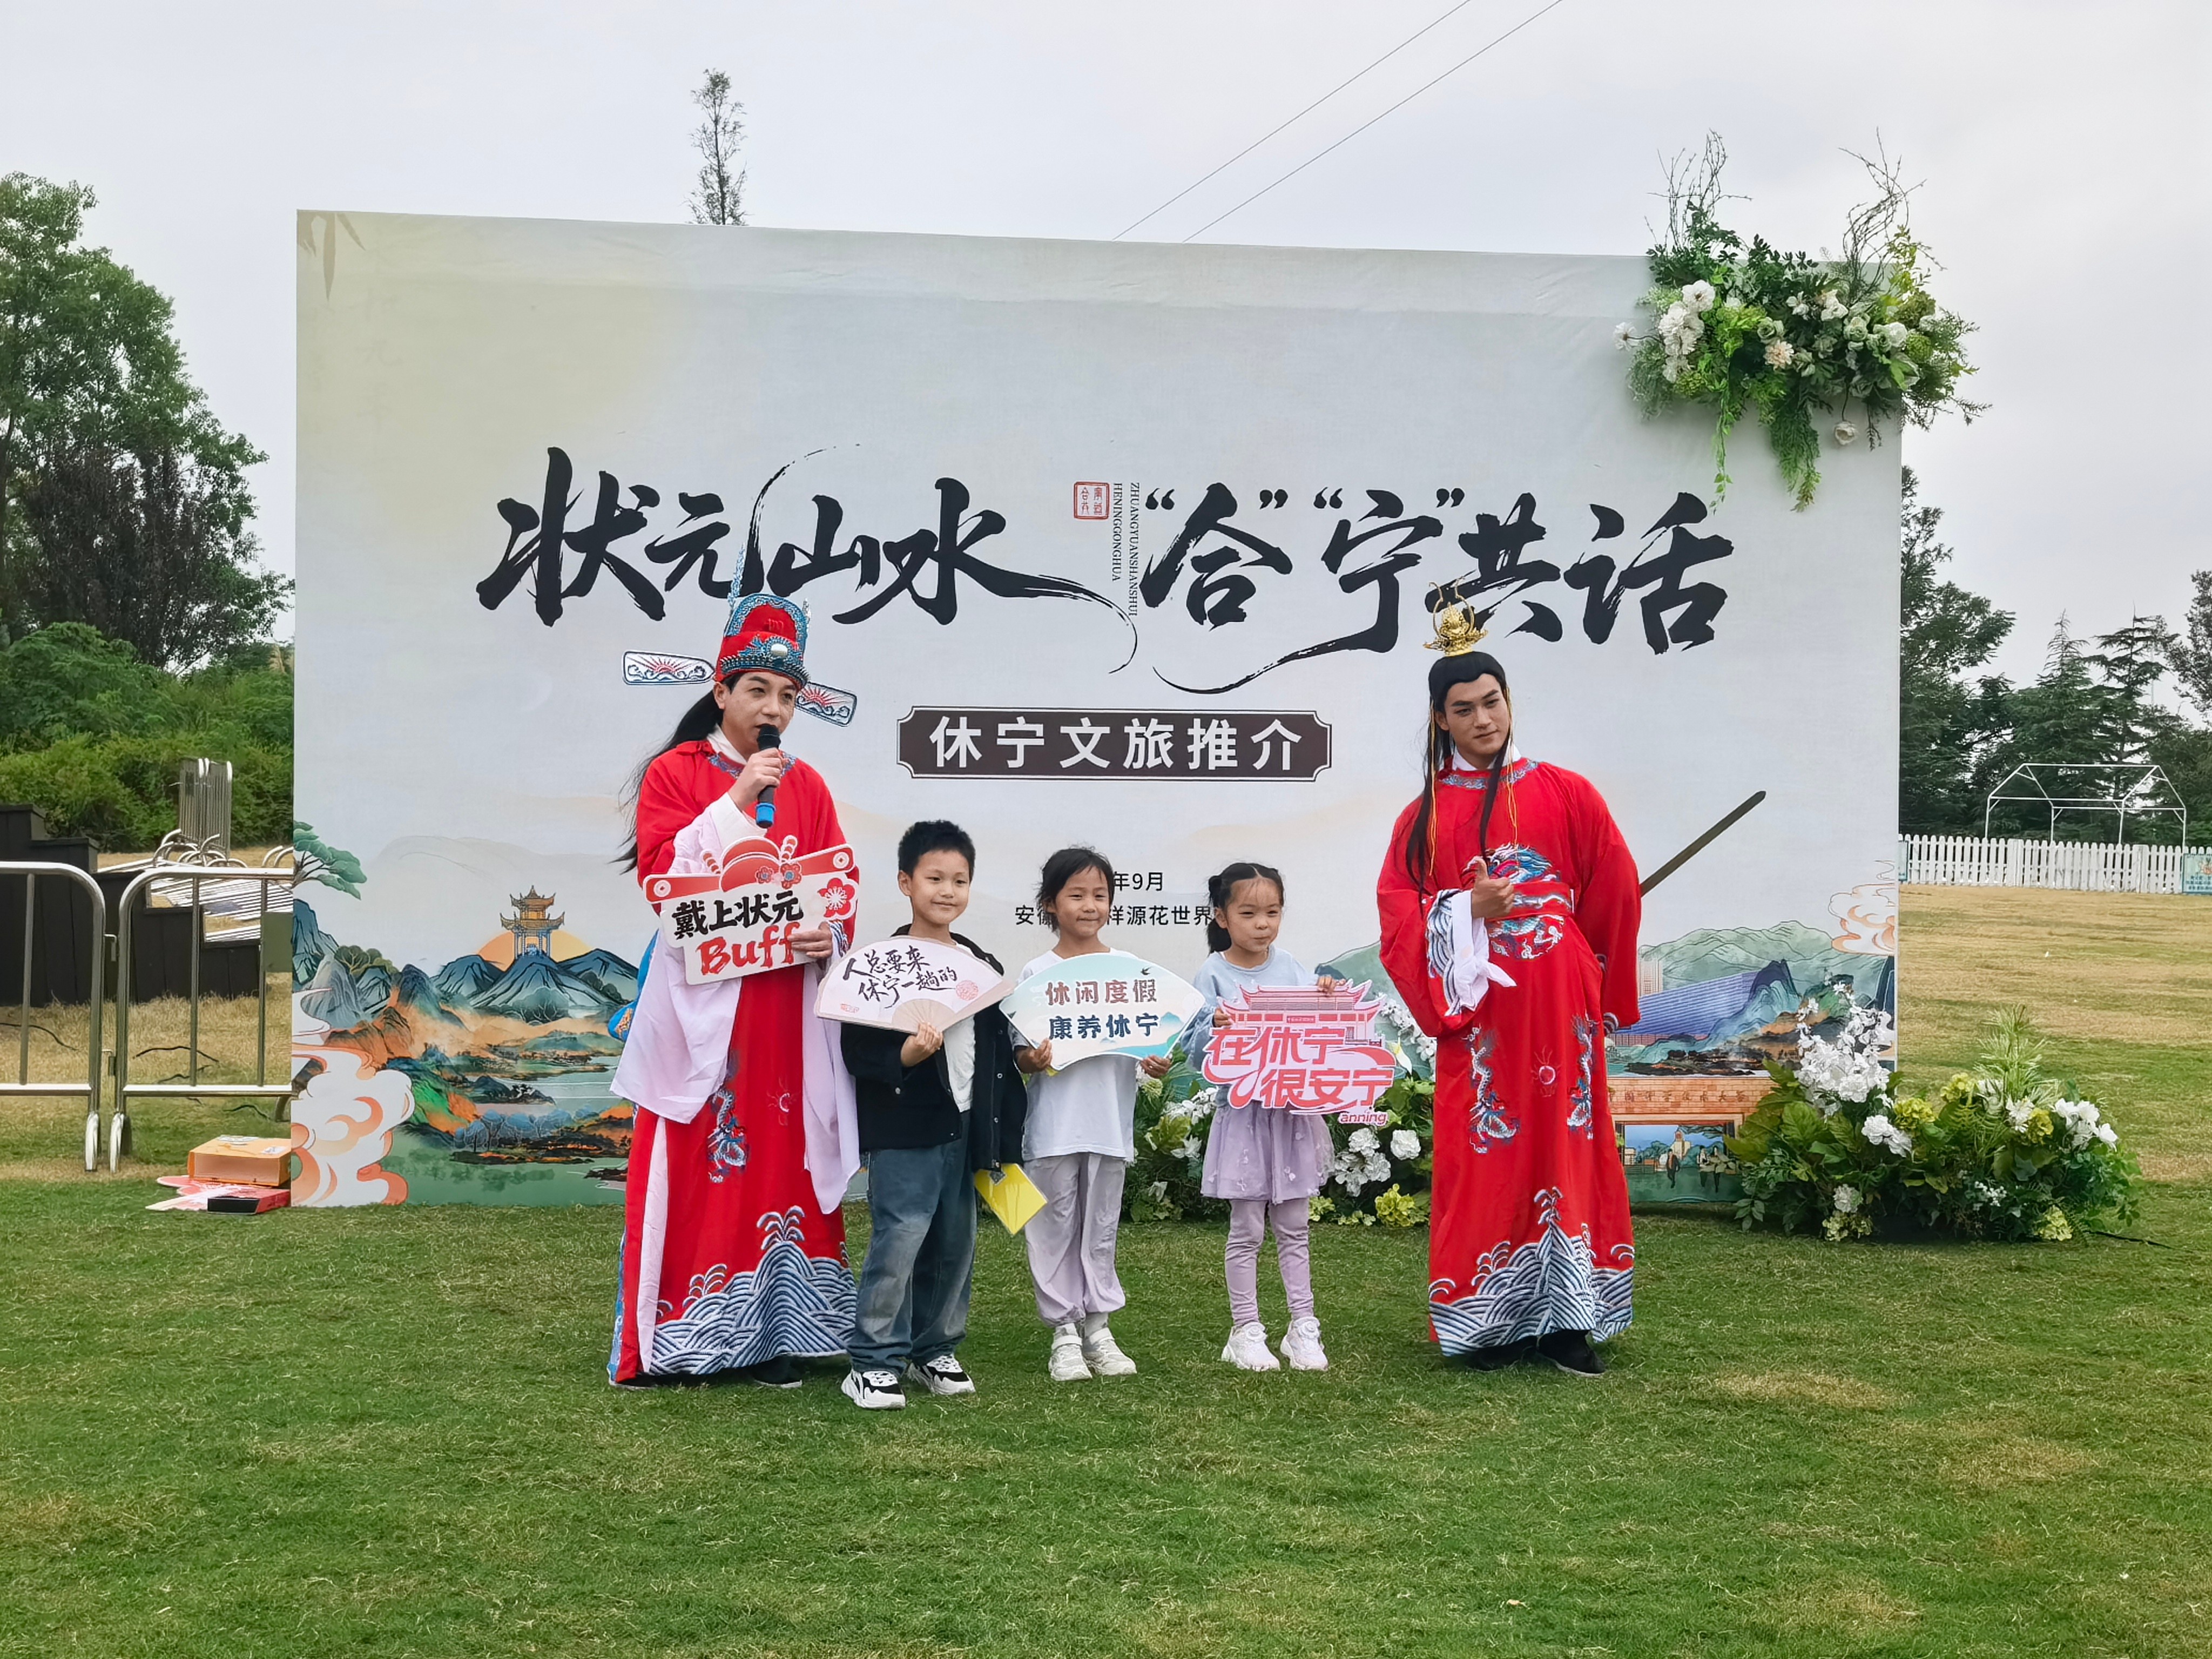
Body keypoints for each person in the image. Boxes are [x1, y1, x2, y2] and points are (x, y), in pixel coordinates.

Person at [1375, 606, 1641, 1378]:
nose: (1482, 719)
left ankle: (1569, 1323)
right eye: (1463, 709)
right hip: (1482, 1014)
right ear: (1440, 719)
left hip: (1560, 1008)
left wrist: (1597, 987)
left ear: (1508, 701)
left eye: (1492, 702)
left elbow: (1614, 890)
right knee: (1485, 1156)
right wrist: (1465, 908)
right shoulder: (1423, 818)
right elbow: (1396, 916)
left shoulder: (1568, 793)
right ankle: (1488, 1322)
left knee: (1567, 1151)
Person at [605, 594, 860, 1389]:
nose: (773, 709)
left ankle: (786, 1332)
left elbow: (837, 886)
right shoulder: (678, 773)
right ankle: (689, 1339)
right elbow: (663, 880)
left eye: (786, 696)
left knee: (786, 1156)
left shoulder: (810, 785)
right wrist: (738, 799)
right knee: (700, 1157)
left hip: (784, 1005)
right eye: (757, 691)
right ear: (721, 692)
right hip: (705, 1001)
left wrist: (830, 936)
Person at [837, 821, 1028, 1411]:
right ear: (906, 882)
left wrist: (1028, 1067)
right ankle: (872, 1361)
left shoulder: (981, 963)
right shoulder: (879, 965)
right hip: (907, 1126)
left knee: (954, 1240)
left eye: (959, 881)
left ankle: (934, 1349)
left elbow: (997, 1051)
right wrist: (907, 1055)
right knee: (901, 1236)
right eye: (934, 878)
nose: (947, 891)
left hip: (969, 1125)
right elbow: (857, 1052)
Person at [1013, 846, 1173, 1382]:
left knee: (1100, 1228)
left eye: (1100, 895)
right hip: (1053, 1128)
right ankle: (1063, 1332)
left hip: (1108, 1124)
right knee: (1052, 1227)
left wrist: (1155, 1061)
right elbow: (1020, 1055)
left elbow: (1151, 1045)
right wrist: (1033, 1060)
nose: (1089, 906)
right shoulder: (1037, 972)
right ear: (1049, 904)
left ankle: (1099, 1329)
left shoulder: (1129, 971)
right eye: (1076, 895)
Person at [1186, 861, 1337, 1373]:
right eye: (1249, 913)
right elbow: (1196, 1054)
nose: (1262, 924)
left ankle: (1303, 1327)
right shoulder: (1212, 974)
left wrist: (1325, 997)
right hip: (1243, 1116)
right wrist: (1215, 1025)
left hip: (1291, 1115)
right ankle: (1246, 1330)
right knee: (1247, 1227)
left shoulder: (1291, 967)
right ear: (1222, 917)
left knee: (1295, 1226)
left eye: (1272, 912)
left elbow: (1318, 1033)